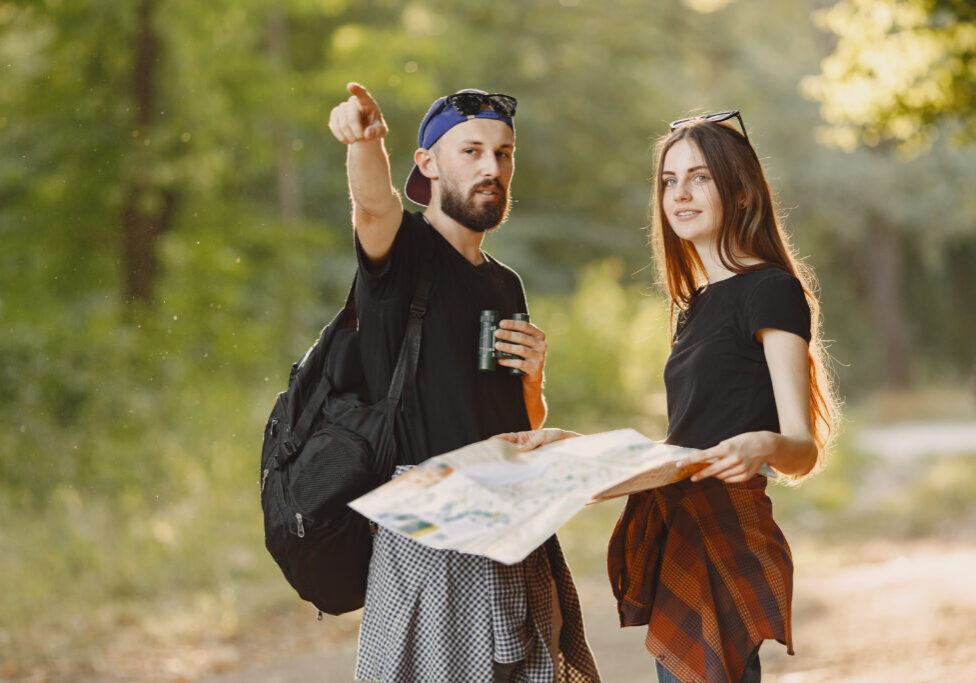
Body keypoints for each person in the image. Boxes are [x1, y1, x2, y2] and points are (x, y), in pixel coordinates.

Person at [499, 111, 839, 683]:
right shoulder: (693, 305)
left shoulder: (772, 291)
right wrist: (577, 449)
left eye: (700, 177)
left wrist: (766, 443)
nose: (679, 193)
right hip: (676, 526)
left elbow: (801, 448)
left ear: (742, 191)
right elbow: (683, 445)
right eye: (668, 180)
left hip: (726, 531)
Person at [327, 83, 600, 683]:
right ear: (427, 164)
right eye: (471, 151)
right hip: (431, 540)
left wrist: (534, 381)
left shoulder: (506, 286)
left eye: (503, 153)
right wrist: (365, 140)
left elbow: (517, 428)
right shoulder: (404, 254)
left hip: (510, 532)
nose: (491, 167)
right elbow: (373, 205)